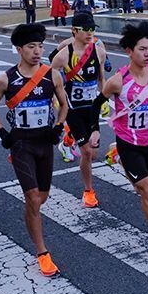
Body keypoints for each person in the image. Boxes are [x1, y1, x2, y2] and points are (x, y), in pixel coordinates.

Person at [91, 21, 148, 261]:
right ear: (129, 51)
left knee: (144, 187)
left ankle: (118, 158)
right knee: (147, 190)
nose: (147, 54)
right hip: (128, 141)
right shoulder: (118, 81)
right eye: (142, 49)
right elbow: (95, 105)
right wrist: (94, 130)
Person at [0, 23, 69, 276]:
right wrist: (2, 132)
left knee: (40, 198)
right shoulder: (5, 79)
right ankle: (42, 253)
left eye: (40, 46)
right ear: (19, 49)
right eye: (31, 47)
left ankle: (30, 213)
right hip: (22, 144)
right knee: (33, 198)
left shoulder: (51, 74)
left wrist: (59, 126)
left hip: (45, 142)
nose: (37, 51)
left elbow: (64, 105)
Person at [50, 12, 106, 208]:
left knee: (95, 152)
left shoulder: (99, 51)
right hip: (73, 108)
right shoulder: (64, 55)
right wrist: (56, 101)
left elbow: (100, 78)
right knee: (87, 151)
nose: (90, 33)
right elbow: (52, 80)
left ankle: (67, 142)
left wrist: (104, 99)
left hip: (92, 108)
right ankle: (88, 191)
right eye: (86, 30)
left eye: (93, 29)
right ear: (74, 31)